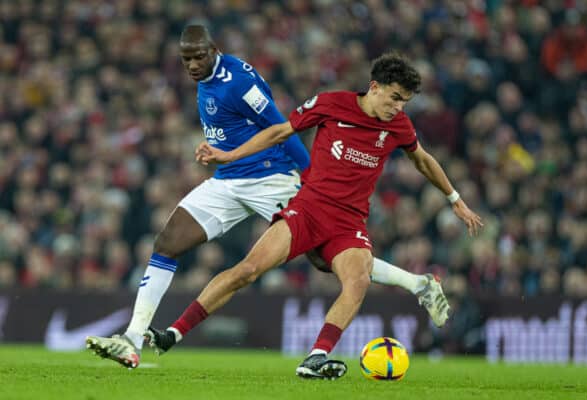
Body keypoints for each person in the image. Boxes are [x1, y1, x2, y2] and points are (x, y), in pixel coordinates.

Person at [85, 26, 450, 369]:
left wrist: (311, 178)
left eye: (199, 57)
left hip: (270, 178)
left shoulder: (240, 83)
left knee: (327, 257)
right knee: (167, 242)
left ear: (215, 51)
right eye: (187, 60)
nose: (193, 66)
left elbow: (283, 128)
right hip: (228, 179)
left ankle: (418, 284)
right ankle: (133, 338)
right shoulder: (207, 79)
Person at [145, 52, 483, 379]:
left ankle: (316, 357)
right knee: (247, 271)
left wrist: (455, 199)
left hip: (349, 222)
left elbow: (422, 159)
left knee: (358, 280)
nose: (398, 107)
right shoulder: (331, 103)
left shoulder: (399, 126)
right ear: (375, 86)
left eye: (404, 102)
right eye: (394, 98)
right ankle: (172, 334)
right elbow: (279, 132)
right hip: (307, 210)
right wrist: (230, 154)